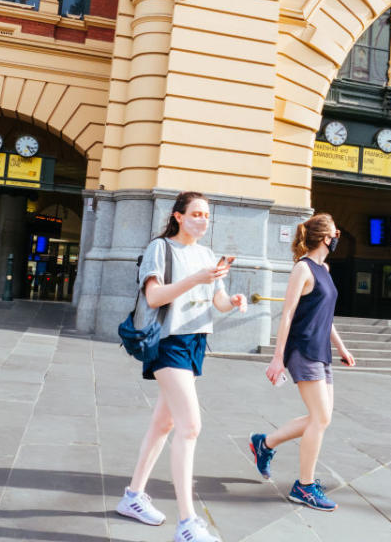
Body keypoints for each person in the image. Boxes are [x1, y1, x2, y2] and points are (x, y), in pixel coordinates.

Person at [116, 191, 247, 542]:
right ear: (178, 216)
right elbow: (155, 297)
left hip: (196, 341)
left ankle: (132, 497)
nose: (203, 220)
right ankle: (188, 522)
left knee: (165, 423)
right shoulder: (161, 248)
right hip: (168, 341)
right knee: (190, 427)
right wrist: (197, 279)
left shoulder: (206, 254)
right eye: (196, 214)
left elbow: (216, 301)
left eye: (207, 215)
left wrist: (232, 301)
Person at [249, 213, 355, 511]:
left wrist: (342, 348)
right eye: (336, 233)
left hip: (322, 351)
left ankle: (264, 443)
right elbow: (287, 314)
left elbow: (325, 316)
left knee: (321, 418)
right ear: (325, 238)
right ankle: (304, 486)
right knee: (320, 418)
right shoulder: (303, 269)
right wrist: (277, 358)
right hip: (302, 350)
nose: (338, 237)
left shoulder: (325, 268)